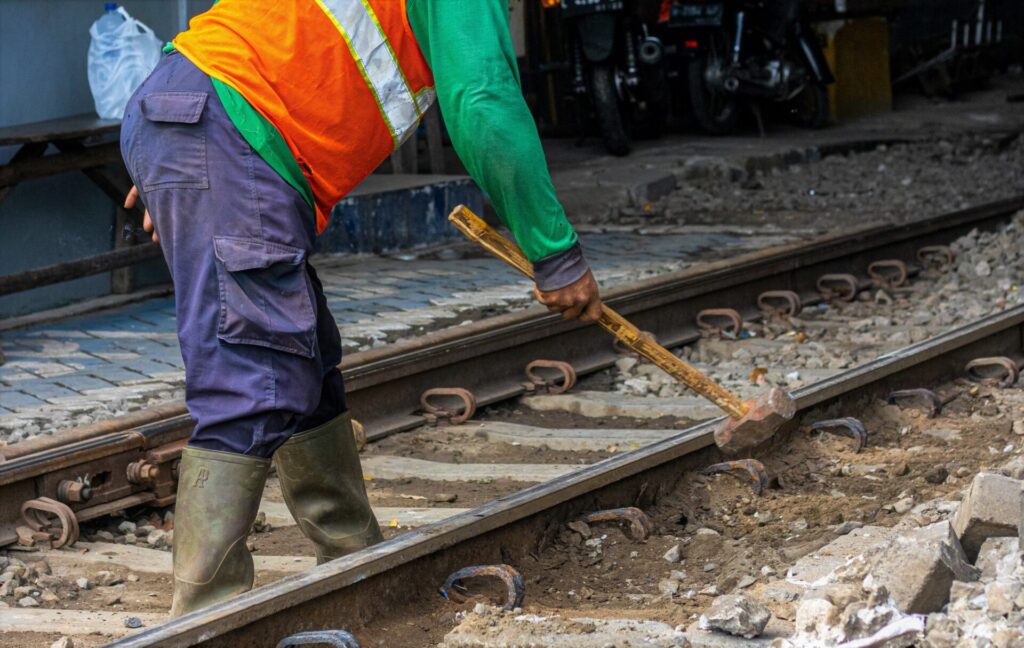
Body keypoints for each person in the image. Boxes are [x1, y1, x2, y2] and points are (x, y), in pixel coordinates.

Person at [120, 0, 603, 616]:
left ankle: (355, 565)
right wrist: (554, 252)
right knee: (256, 373)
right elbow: (483, 101)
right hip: (224, 119)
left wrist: (178, 159)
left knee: (305, 357)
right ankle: (203, 619)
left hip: (193, 109)